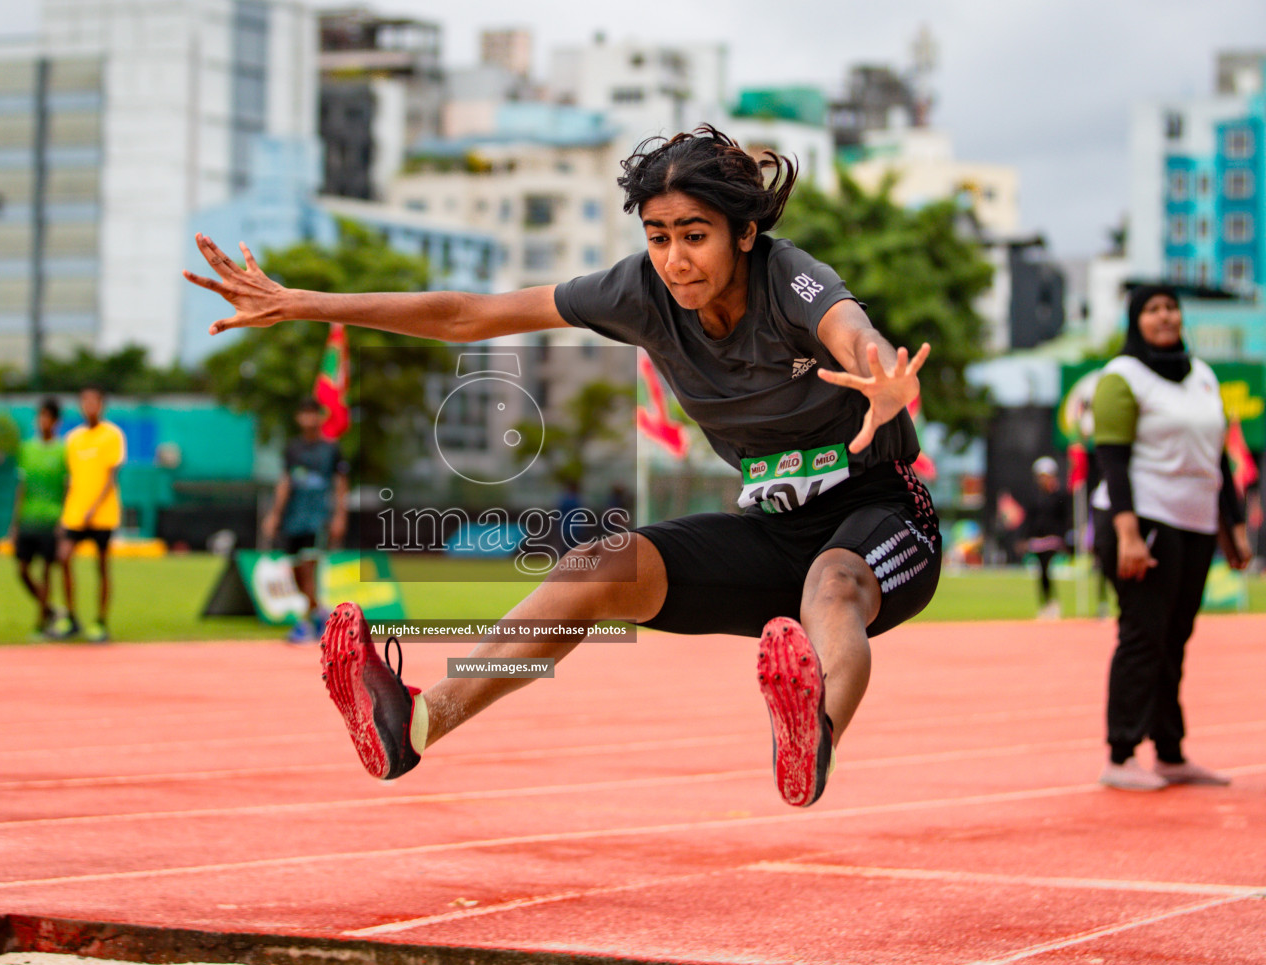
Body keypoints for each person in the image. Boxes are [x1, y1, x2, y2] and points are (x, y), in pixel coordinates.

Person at [185, 126, 940, 808]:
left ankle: (813, 735)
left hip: (882, 518)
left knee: (831, 585)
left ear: (744, 233)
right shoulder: (639, 293)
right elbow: (467, 316)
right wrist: (302, 304)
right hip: (772, 531)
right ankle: (415, 723)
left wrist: (882, 376)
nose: (676, 259)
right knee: (597, 567)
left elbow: (849, 327)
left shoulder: (787, 277)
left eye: (696, 236)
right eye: (659, 236)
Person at [1091, 284, 1250, 791]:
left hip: (1198, 523)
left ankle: (1171, 752)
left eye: (1171, 308)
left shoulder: (1201, 374)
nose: (1165, 317)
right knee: (1143, 635)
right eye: (1153, 309)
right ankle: (1120, 754)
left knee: (1175, 639)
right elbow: (1112, 458)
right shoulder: (1123, 375)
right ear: (1136, 320)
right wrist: (1128, 532)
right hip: (1144, 521)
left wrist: (1235, 528)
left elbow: (1218, 459)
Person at [259, 398, 350, 643]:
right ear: (299, 418)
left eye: (314, 414)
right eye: (304, 414)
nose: (309, 419)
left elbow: (341, 483)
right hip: (293, 517)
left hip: (318, 515)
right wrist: (275, 514)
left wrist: (340, 515)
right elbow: (285, 482)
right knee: (296, 572)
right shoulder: (293, 449)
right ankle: (319, 614)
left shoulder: (331, 449)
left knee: (309, 568)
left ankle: (305, 623)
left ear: (321, 417)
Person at [49, 386, 125, 643]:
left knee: (102, 566)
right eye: (85, 401)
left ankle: (101, 622)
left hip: (102, 514)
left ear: (102, 404)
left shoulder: (112, 435)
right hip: (76, 513)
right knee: (64, 557)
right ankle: (71, 617)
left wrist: (94, 507)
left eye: (94, 401)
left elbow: (111, 477)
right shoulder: (73, 439)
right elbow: (69, 480)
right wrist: (66, 512)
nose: (90, 405)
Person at [11, 397, 69, 635]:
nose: (43, 421)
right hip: (28, 518)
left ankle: (41, 622)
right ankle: (49, 608)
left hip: (51, 519)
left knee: (47, 571)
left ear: (56, 421)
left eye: (48, 417)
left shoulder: (63, 450)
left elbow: (68, 488)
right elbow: (21, 487)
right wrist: (14, 523)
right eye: (40, 416)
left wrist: (64, 520)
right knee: (22, 570)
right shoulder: (27, 448)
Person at [1022, 456, 1070, 619]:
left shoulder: (1059, 495)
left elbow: (1065, 518)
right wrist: (1024, 538)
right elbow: (1029, 519)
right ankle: (1045, 603)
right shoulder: (1034, 496)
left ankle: (1053, 602)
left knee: (1047, 570)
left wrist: (1063, 537)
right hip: (1038, 540)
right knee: (1041, 572)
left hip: (1054, 540)